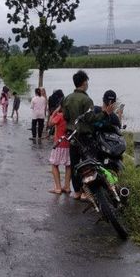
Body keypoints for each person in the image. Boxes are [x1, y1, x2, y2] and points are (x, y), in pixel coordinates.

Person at [62, 70, 95, 200]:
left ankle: (76, 191)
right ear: (84, 82)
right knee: (87, 163)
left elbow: (65, 116)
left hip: (72, 136)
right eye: (87, 81)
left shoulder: (67, 98)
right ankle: (85, 192)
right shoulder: (87, 100)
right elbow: (91, 118)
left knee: (75, 163)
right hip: (85, 136)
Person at [47, 106, 71, 194]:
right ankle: (67, 186)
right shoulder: (71, 117)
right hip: (69, 144)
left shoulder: (60, 116)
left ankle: (58, 188)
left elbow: (50, 124)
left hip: (59, 143)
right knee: (68, 165)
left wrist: (53, 113)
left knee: (54, 164)